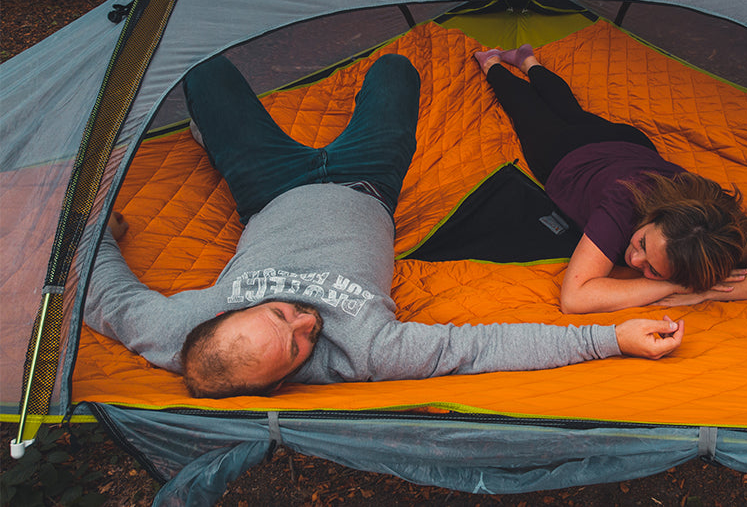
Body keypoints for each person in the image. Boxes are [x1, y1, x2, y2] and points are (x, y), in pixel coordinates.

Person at [85, 53, 685, 400]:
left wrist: (99, 231)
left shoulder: (174, 332)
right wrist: (611, 339)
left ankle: (215, 138)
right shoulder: (363, 351)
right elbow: (479, 348)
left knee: (206, 72)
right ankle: (230, 138)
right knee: (398, 73)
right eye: (296, 349)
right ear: (284, 381)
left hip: (267, 186)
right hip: (367, 180)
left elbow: (104, 295)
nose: (304, 320)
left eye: (277, 315)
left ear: (217, 316)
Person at [474, 45, 747, 315]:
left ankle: (529, 61)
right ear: (652, 217)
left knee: (571, 111)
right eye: (642, 243)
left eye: (654, 270)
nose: (634, 258)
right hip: (568, 154)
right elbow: (575, 298)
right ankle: (490, 62)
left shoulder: (714, 224)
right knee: (528, 112)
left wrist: (702, 290)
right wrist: (674, 288)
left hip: (630, 143)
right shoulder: (622, 202)